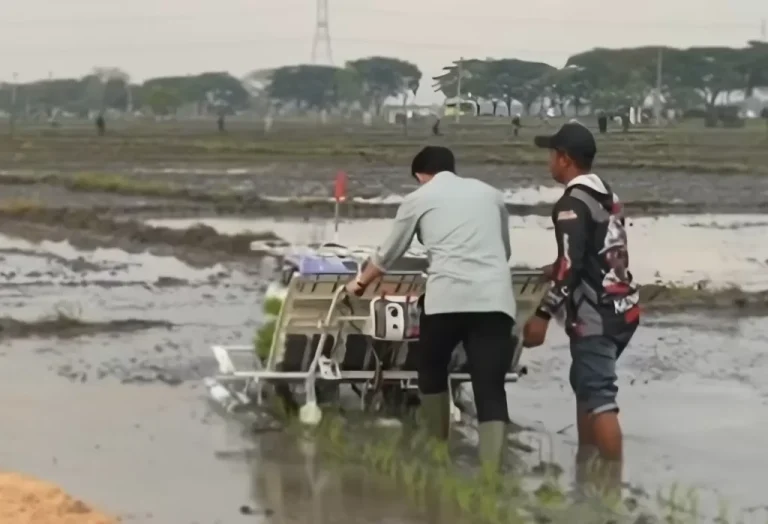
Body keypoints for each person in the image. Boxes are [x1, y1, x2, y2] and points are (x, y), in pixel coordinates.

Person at [346, 145, 516, 472]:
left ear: (422, 175)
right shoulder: (491, 195)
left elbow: (387, 255)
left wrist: (360, 283)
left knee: (432, 368)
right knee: (490, 383)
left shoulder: (418, 199)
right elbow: (504, 251)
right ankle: (492, 472)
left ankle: (438, 449)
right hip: (494, 299)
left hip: (447, 301)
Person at [522, 122, 640, 488]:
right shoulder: (605, 192)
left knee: (599, 396)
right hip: (623, 308)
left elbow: (571, 266)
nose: (548, 162)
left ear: (565, 159)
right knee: (585, 383)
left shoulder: (570, 204)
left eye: (552, 155)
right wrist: (556, 267)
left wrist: (541, 316)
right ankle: (586, 466)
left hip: (596, 313)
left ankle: (610, 490)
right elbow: (596, 250)